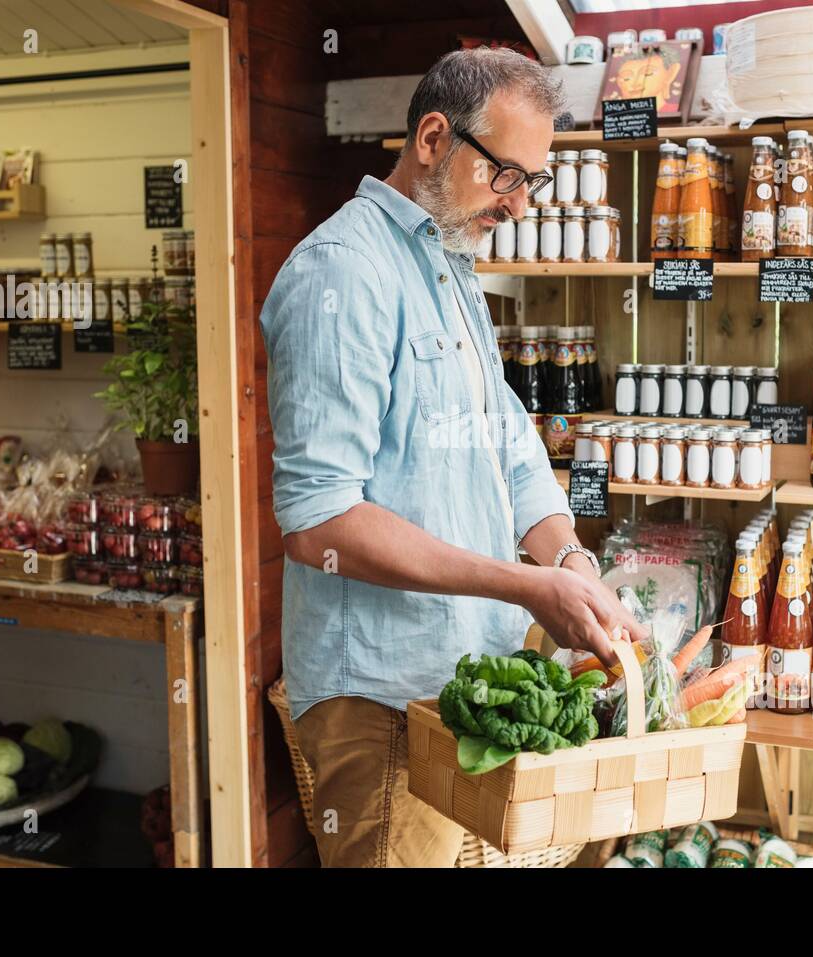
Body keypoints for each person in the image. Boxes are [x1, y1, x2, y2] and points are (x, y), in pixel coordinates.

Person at [259, 47, 645, 868]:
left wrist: (571, 562)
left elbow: (507, 445)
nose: (516, 205)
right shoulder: (342, 273)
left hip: (462, 682)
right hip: (384, 701)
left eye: (530, 183)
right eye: (506, 174)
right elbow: (319, 521)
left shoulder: (449, 263)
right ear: (434, 137)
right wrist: (524, 584)